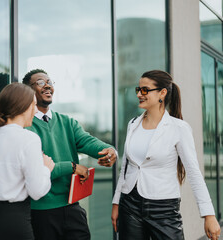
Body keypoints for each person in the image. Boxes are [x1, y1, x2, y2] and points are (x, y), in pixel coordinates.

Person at [111, 70, 221, 240]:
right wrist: (116, 203)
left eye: (145, 90)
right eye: (138, 90)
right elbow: (125, 167)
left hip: (163, 208)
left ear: (162, 93)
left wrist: (209, 215)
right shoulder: (133, 124)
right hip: (130, 204)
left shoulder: (179, 128)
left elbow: (193, 172)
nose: (140, 94)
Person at [22, 69, 118, 240]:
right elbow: (36, 169)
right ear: (28, 91)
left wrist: (109, 150)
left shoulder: (67, 122)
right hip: (40, 211)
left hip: (72, 207)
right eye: (41, 82)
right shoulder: (25, 126)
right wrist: (72, 167)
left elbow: (87, 141)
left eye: (50, 82)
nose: (48, 86)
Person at [0, 83, 55, 240]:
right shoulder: (29, 139)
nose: (36, 110)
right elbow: (37, 191)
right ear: (23, 107)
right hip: (13, 222)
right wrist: (47, 168)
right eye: (34, 105)